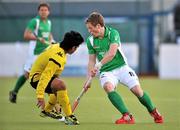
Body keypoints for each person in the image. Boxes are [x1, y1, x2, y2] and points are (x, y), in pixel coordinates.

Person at [85, 11, 163, 124]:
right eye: (88, 29)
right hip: (107, 71)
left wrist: (99, 64)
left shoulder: (113, 33)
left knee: (137, 90)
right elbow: (91, 60)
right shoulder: (90, 41)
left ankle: (153, 111)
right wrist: (88, 79)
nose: (89, 31)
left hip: (122, 67)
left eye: (91, 28)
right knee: (108, 87)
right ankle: (127, 116)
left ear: (98, 26)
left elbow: (111, 53)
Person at [29, 31, 84, 125]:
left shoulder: (57, 47)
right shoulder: (57, 57)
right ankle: (69, 116)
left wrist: (56, 101)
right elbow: (46, 76)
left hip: (40, 76)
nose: (76, 49)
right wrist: (40, 96)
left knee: (58, 85)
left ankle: (47, 111)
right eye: (77, 47)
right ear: (73, 47)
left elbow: (54, 77)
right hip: (37, 79)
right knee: (61, 84)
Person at [9, 2, 54, 103]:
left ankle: (51, 97)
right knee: (28, 74)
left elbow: (49, 34)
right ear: (38, 11)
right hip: (34, 53)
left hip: (45, 53)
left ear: (49, 12)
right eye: (41, 10)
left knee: (48, 73)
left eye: (45, 10)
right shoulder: (35, 21)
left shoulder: (49, 23)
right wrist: (38, 39)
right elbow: (26, 35)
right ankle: (14, 91)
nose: (43, 12)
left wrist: (52, 41)